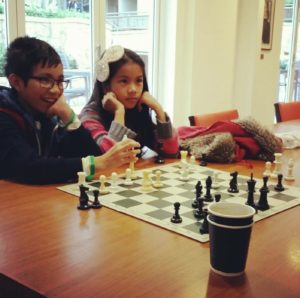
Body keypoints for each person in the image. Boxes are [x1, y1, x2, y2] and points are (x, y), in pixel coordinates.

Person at [0, 36, 140, 184]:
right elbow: (29, 167)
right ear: (16, 82)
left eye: (60, 81)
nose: (55, 90)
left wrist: (69, 116)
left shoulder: (48, 115)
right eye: (45, 80)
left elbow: (90, 154)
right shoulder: (5, 115)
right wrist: (98, 163)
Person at [79, 45, 179, 158]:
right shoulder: (89, 115)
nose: (133, 89)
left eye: (139, 81)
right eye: (124, 81)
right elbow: (108, 158)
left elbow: (171, 154)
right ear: (106, 86)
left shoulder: (136, 110)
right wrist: (119, 112)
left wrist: (159, 110)